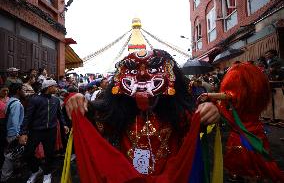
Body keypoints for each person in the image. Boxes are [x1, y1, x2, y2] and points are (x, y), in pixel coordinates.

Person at [64, 49, 220, 182]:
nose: (143, 74)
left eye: (153, 69)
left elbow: (195, 130)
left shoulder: (179, 112)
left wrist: (208, 112)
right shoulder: (113, 112)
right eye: (133, 70)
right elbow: (90, 121)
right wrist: (75, 99)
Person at [198, 62, 284, 182]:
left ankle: (248, 174)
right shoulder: (256, 96)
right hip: (255, 133)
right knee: (253, 157)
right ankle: (250, 174)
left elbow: (226, 99)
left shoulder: (238, 100)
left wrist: (209, 97)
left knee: (247, 156)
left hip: (244, 135)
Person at [19, 80, 69, 183]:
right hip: (36, 131)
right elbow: (28, 117)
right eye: (54, 86)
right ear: (48, 87)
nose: (57, 88)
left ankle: (47, 174)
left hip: (50, 131)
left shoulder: (56, 100)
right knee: (28, 153)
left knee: (49, 154)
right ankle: (36, 170)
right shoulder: (35, 99)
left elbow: (59, 115)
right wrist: (23, 132)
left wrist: (64, 124)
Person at [0, 83, 25, 182]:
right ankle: (5, 177)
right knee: (10, 156)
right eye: (22, 89)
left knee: (12, 155)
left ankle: (9, 175)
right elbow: (15, 121)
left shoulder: (10, 101)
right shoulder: (16, 103)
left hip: (10, 132)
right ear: (18, 91)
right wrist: (18, 134)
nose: (24, 91)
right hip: (13, 133)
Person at [0, 85, 9, 168]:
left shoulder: (9, 99)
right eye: (3, 91)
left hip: (8, 122)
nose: (5, 92)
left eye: (7, 90)